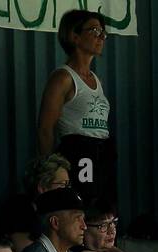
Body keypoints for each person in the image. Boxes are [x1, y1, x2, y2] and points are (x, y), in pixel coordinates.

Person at [37, 10, 115, 207]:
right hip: (78, 151)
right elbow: (45, 129)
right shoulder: (63, 78)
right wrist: (51, 170)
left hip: (102, 151)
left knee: (103, 209)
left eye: (103, 32)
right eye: (94, 30)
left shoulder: (96, 79)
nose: (101, 37)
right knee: (83, 205)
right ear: (74, 36)